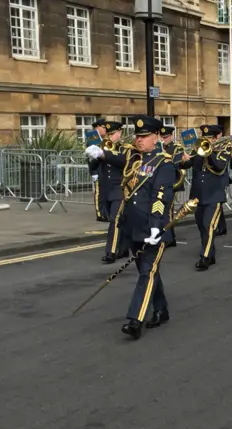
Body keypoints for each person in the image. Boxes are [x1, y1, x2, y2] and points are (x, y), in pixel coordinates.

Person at [86, 115, 175, 339]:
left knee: (147, 272)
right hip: (132, 225)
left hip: (152, 227)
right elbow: (118, 158)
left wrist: (156, 226)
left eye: (144, 136)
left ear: (156, 137)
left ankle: (135, 319)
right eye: (137, 136)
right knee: (148, 270)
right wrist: (101, 154)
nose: (139, 140)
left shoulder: (163, 163)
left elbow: (160, 196)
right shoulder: (134, 157)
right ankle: (162, 309)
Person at [180, 125, 230, 270]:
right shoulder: (197, 151)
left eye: (209, 138)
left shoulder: (222, 151)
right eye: (204, 138)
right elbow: (185, 165)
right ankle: (211, 254)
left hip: (214, 196)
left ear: (215, 139)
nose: (206, 141)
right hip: (197, 196)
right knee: (202, 227)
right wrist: (183, 160)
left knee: (209, 226)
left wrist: (209, 153)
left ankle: (205, 257)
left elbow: (220, 166)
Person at [87, 120, 130, 264]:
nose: (111, 137)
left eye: (113, 134)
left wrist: (104, 154)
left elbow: (122, 161)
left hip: (120, 188)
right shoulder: (102, 147)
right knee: (121, 220)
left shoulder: (126, 148)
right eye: (109, 134)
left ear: (120, 133)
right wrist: (94, 156)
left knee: (115, 220)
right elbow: (94, 165)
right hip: (106, 189)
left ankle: (110, 252)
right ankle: (124, 249)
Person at [160, 125, 185, 248]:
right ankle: (169, 235)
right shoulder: (158, 147)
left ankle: (169, 238)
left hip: (172, 181)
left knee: (168, 210)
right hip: (160, 182)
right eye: (162, 137)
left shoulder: (177, 148)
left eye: (166, 137)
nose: (164, 139)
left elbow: (176, 164)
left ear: (171, 136)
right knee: (161, 210)